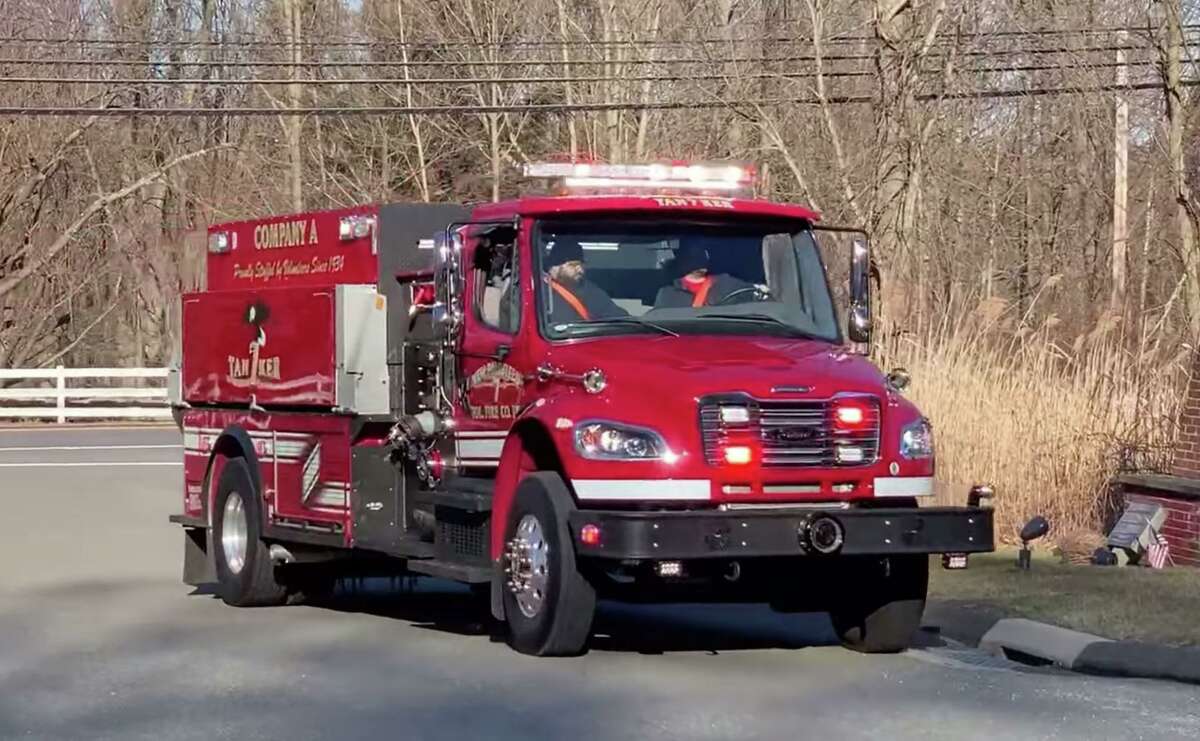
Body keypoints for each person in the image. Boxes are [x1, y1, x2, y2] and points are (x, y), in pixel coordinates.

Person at [542, 236, 627, 324]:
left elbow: (617, 316)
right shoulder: (539, 291)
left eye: (581, 265)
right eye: (573, 265)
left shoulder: (590, 290)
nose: (580, 270)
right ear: (555, 266)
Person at [653, 243, 755, 309]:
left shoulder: (727, 284)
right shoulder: (668, 293)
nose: (703, 257)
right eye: (695, 254)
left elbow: (754, 293)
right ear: (683, 259)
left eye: (704, 253)